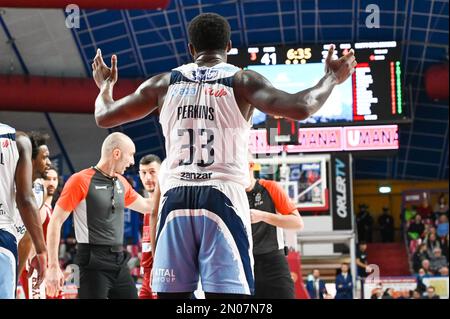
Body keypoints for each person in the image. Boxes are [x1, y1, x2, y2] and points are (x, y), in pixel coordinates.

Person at [92, 13, 356, 298]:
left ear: (190, 49)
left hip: (176, 195)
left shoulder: (163, 84)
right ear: (228, 46)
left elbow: (104, 116)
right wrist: (331, 78)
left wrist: (105, 86)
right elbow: (302, 106)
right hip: (223, 196)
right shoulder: (241, 80)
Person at [45, 133, 155, 299]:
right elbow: (55, 221)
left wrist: (171, 185)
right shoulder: (80, 180)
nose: (132, 161)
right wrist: (53, 266)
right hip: (91, 264)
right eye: (131, 154)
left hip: (119, 262)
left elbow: (148, 206)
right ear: (117, 154)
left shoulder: (121, 182)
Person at [0, 123, 47, 299]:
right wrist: (41, 251)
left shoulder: (39, 190)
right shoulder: (17, 139)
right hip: (3, 236)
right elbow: (25, 200)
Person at [245, 159, 304, 298]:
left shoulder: (270, 187)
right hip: (244, 263)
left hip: (273, 261)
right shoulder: (231, 194)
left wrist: (263, 216)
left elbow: (297, 223)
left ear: (251, 165)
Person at [17, 131, 52, 299]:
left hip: (12, 253)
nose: (49, 163)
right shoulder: (7, 185)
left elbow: (26, 238)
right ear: (31, 158)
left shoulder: (40, 190)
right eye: (44, 158)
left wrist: (14, 278)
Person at [137, 154, 161, 299]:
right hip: (146, 273)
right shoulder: (145, 205)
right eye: (143, 173)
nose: (148, 178)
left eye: (152, 172)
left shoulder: (166, 205)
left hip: (161, 272)